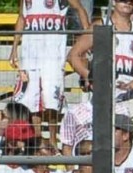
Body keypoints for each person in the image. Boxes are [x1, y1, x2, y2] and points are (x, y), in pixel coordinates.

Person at [9, 0, 88, 143]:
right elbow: (21, 17)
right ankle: (37, 140)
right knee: (32, 99)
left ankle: (52, 140)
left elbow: (79, 8)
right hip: (30, 54)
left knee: (52, 100)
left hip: (53, 55)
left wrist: (88, 35)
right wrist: (14, 47)